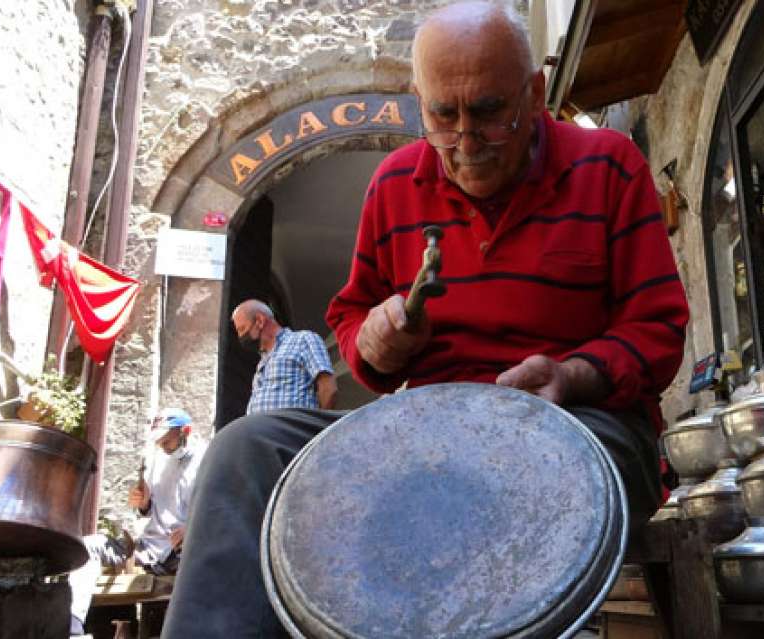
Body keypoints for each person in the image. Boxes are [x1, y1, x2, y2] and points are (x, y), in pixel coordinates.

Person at [162, 3, 688, 636]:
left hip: (580, 424)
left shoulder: (609, 165)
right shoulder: (393, 185)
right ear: (419, 101)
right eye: (443, 115)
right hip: (429, 434)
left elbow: (657, 331)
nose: (465, 141)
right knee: (246, 448)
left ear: (536, 92)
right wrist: (380, 343)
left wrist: (571, 376)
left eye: (491, 111)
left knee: (485, 492)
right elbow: (353, 326)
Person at [69, 408, 208, 636]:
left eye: (167, 441)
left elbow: (217, 509)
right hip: (146, 548)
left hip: (182, 552)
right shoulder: (156, 458)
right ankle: (72, 628)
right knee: (88, 546)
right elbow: (148, 510)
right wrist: (143, 504)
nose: (162, 446)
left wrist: (193, 529)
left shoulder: (208, 460)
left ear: (186, 431)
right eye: (159, 441)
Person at [231, 299, 339, 412]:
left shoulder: (303, 340)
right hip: (259, 429)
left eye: (242, 329)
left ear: (260, 321)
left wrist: (317, 426)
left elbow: (328, 388)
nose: (240, 336)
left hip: (292, 428)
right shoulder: (262, 361)